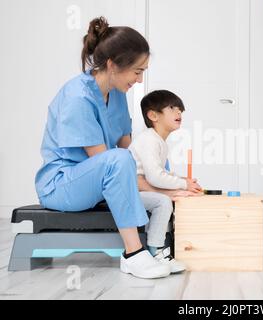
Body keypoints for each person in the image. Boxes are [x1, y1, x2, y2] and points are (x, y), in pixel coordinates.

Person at [35, 16, 177, 279]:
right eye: (137, 71)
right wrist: (155, 183)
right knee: (119, 160)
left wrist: (168, 181)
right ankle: (133, 254)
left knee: (157, 188)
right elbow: (112, 162)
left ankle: (157, 250)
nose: (139, 79)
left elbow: (131, 150)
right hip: (62, 185)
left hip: (96, 183)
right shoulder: (77, 97)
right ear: (112, 65)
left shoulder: (118, 95)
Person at [129, 90, 203, 274]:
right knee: (163, 202)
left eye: (180, 110)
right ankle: (156, 251)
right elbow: (154, 177)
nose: (179, 113)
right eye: (172, 108)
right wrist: (183, 184)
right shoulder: (149, 140)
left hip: (140, 189)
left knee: (171, 198)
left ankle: (163, 248)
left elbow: (157, 174)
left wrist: (181, 181)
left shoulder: (159, 141)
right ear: (153, 115)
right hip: (130, 193)